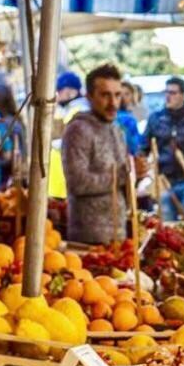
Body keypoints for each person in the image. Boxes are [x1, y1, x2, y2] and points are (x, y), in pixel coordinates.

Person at [62, 63, 142, 246]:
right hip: (89, 241)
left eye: (117, 95)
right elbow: (78, 183)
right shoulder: (78, 130)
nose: (113, 103)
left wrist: (136, 173)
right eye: (105, 95)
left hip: (118, 235)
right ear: (90, 96)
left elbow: (123, 181)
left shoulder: (117, 129)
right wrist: (124, 173)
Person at [143, 76, 184, 221]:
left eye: (173, 93)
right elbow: (144, 147)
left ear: (183, 95)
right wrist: (146, 172)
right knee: (167, 224)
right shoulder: (156, 119)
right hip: (164, 179)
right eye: (166, 92)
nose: (168, 96)